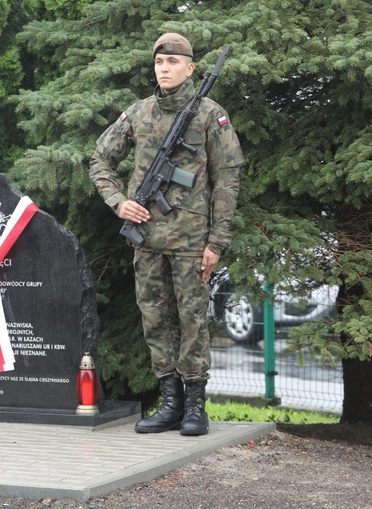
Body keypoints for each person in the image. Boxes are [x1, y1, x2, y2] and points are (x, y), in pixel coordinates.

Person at [89, 34, 242, 436]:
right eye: (159, 61)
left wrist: (217, 241)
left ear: (190, 68)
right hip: (147, 240)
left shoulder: (210, 115)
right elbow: (100, 159)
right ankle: (170, 401)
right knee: (155, 320)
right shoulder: (139, 113)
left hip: (193, 243)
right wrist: (118, 202)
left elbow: (227, 179)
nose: (164, 67)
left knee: (193, 321)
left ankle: (195, 406)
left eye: (173, 61)